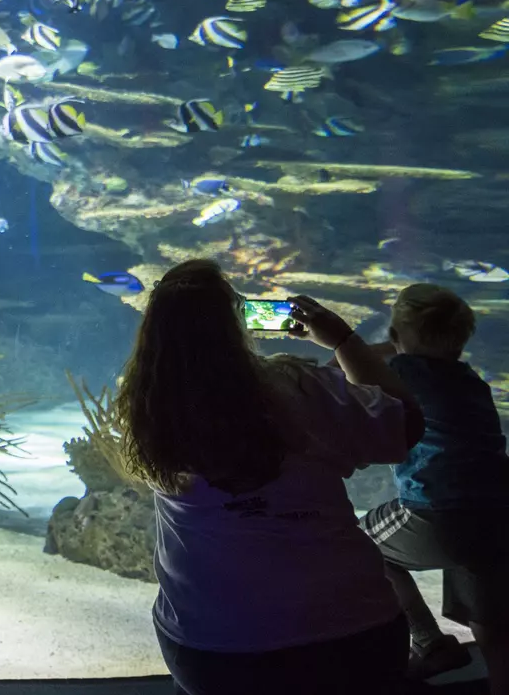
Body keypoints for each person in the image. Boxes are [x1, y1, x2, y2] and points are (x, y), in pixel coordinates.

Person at [115, 259, 425, 695]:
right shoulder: (299, 387)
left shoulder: (148, 411)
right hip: (351, 630)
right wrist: (342, 339)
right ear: (237, 323)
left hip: (213, 649)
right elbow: (406, 424)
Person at [355, 283, 509, 690]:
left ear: (397, 336)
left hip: (436, 511)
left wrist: (351, 340)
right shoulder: (469, 378)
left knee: (354, 543)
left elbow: (356, 367)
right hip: (496, 513)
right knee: (491, 620)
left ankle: (428, 641)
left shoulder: (405, 372)